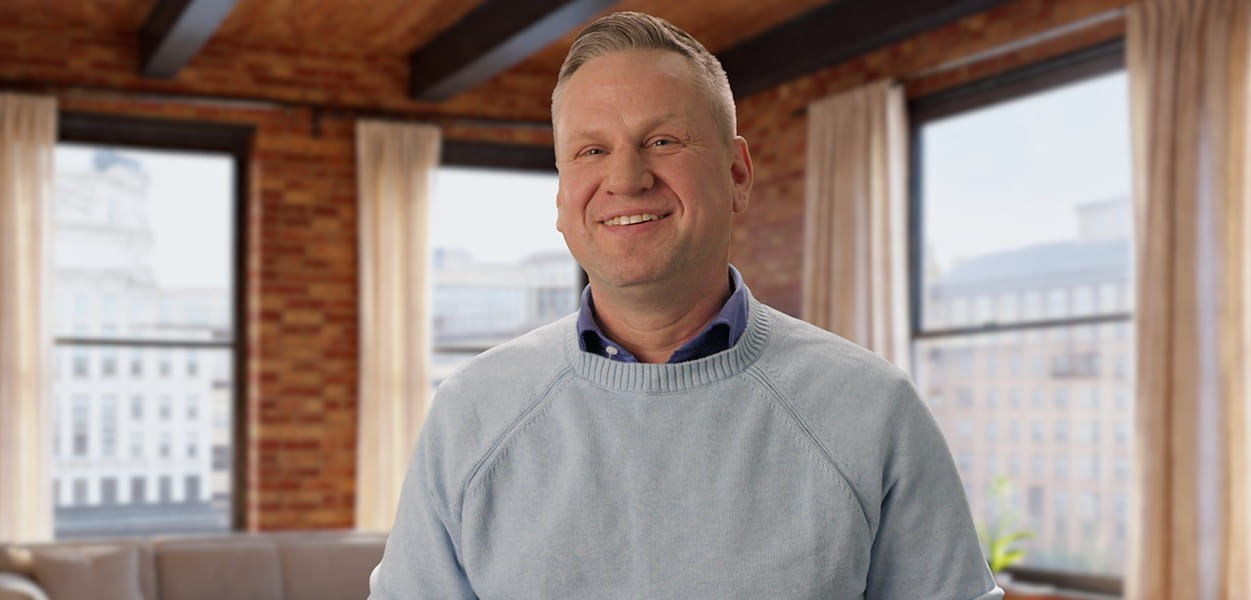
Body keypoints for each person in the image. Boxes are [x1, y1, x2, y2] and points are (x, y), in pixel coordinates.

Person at [369, 11, 1001, 599]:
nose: (626, 179)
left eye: (664, 141)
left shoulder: (873, 412)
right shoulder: (471, 415)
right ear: (562, 200)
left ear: (737, 173)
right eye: (592, 151)